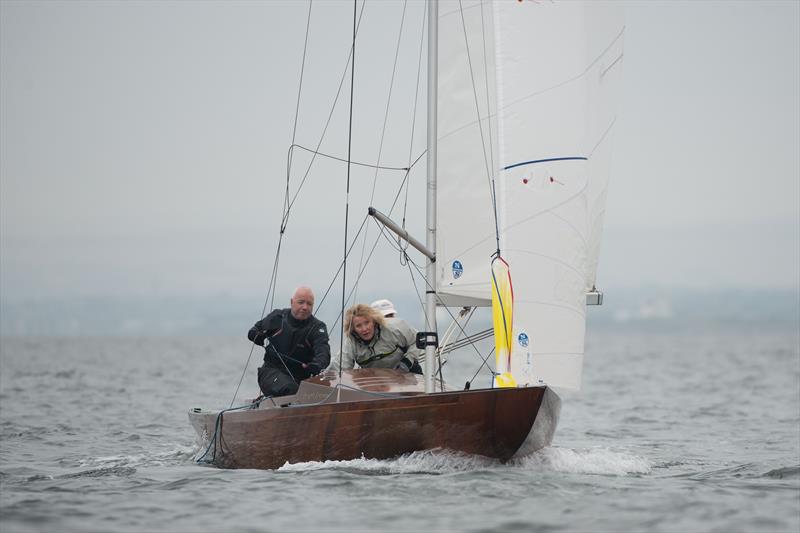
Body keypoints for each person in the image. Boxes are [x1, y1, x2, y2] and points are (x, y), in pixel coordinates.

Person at [248, 286, 330, 397]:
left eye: (309, 304)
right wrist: (256, 335)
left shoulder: (318, 327)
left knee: (323, 391)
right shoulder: (277, 317)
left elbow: (323, 352)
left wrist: (317, 364)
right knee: (291, 389)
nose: (305, 307)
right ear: (292, 302)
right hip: (271, 372)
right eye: (301, 302)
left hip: (301, 378)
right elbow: (254, 330)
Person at [329, 303, 423, 373]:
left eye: (367, 323)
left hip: (407, 372)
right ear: (353, 329)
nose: (364, 329)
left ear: (374, 321)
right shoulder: (351, 342)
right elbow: (340, 368)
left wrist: (406, 362)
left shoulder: (395, 327)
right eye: (358, 326)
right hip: (374, 380)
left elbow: (418, 340)